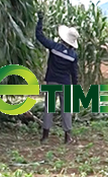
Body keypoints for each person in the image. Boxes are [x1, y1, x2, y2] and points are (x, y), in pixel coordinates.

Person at [35, 11, 79, 144]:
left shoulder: (54, 48)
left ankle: (45, 136)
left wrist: (40, 21)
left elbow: (40, 37)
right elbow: (74, 73)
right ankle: (67, 137)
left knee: (49, 108)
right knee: (66, 110)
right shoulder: (73, 56)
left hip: (52, 82)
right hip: (65, 84)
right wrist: (75, 86)